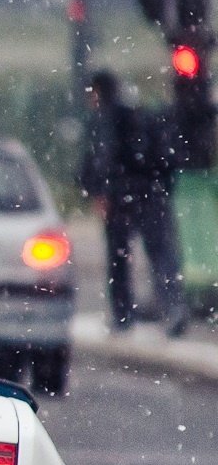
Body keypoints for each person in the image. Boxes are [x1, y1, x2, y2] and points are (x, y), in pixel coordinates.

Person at [79, 69, 188, 336]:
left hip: (121, 195)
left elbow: (103, 155)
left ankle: (123, 315)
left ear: (98, 92)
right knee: (161, 253)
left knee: (119, 258)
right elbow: (166, 158)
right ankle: (173, 309)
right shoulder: (141, 112)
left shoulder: (106, 117)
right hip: (152, 191)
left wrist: (99, 190)